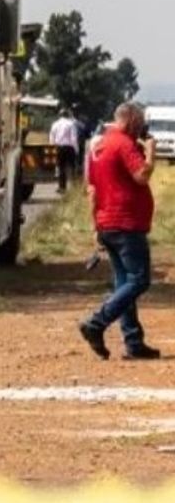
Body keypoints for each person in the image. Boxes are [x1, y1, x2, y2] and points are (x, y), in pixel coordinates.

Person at [79, 102, 160, 361]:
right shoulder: (123, 143)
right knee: (139, 279)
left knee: (124, 283)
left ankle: (133, 342)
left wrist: (96, 226)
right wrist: (150, 152)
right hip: (126, 225)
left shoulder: (98, 145)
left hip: (107, 223)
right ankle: (96, 323)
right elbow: (142, 175)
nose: (142, 127)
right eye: (140, 121)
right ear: (131, 119)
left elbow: (91, 190)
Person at [49, 109, 79, 193]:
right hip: (69, 147)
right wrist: (76, 149)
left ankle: (62, 187)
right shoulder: (71, 124)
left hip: (59, 147)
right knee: (72, 167)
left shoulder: (55, 124)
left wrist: (52, 147)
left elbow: (52, 136)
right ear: (67, 115)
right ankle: (74, 186)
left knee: (61, 167)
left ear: (60, 115)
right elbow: (73, 138)